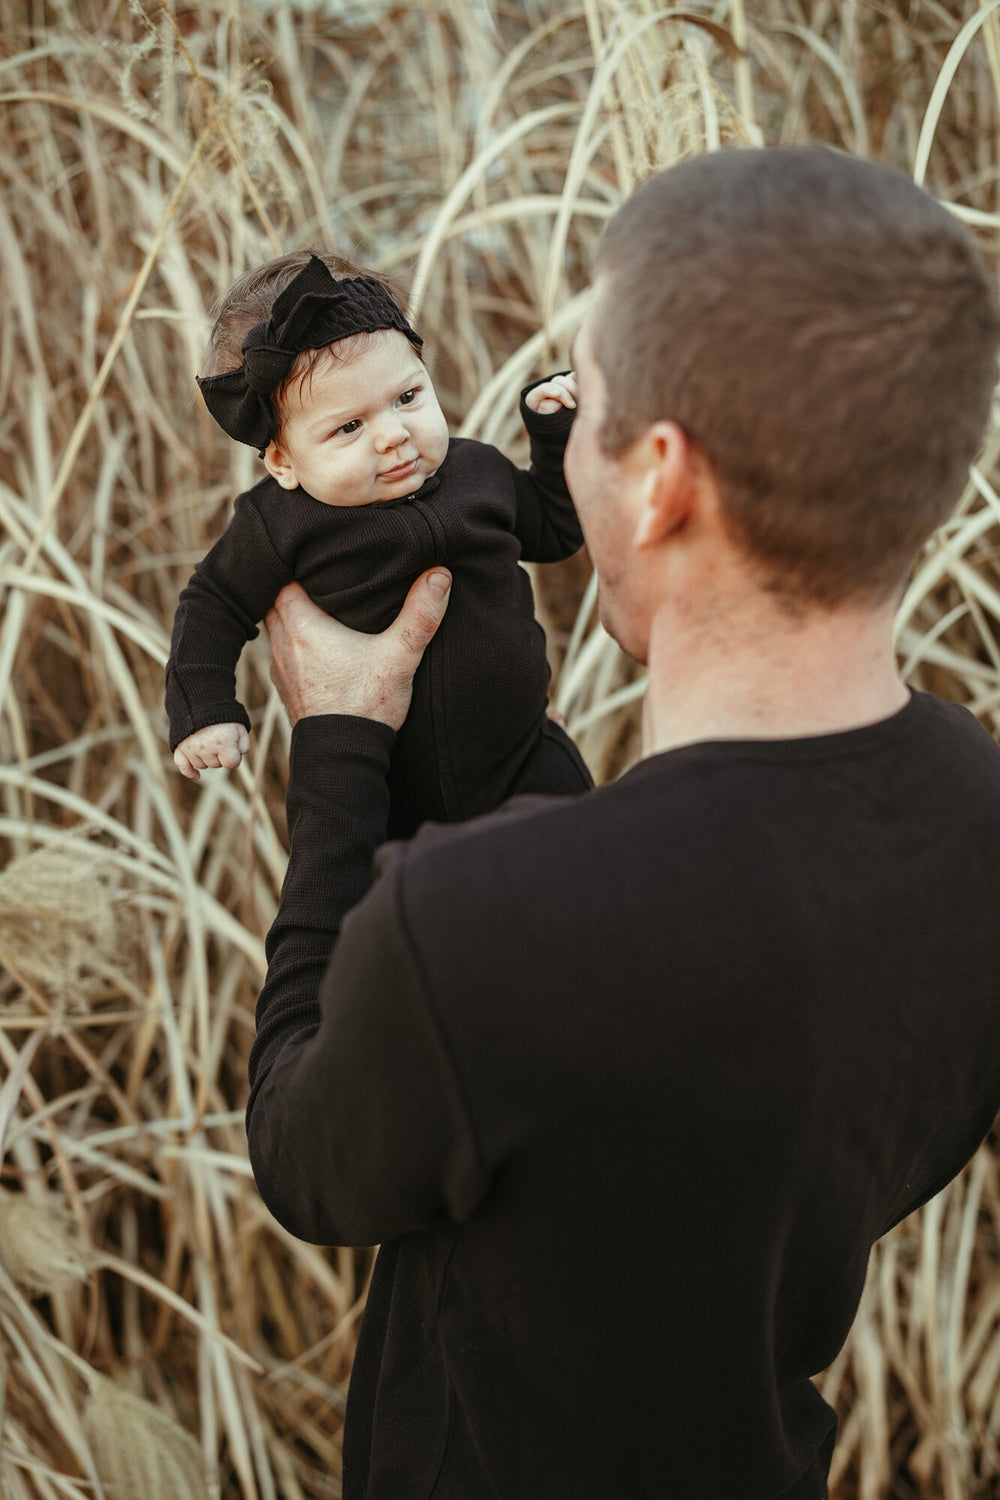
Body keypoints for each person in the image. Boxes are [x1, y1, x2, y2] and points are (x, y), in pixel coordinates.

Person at [246, 146, 1000, 1500]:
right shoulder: (978, 817)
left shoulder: (478, 927)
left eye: (579, 412)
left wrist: (342, 751)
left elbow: (307, 1163)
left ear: (660, 479)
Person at [166, 251, 590, 830]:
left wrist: (552, 434)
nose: (393, 435)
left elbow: (555, 527)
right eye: (349, 427)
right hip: (388, 795)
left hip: (527, 763)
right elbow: (212, 603)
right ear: (284, 461)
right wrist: (203, 709)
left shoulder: (479, 472)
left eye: (407, 398)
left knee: (582, 875)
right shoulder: (279, 523)